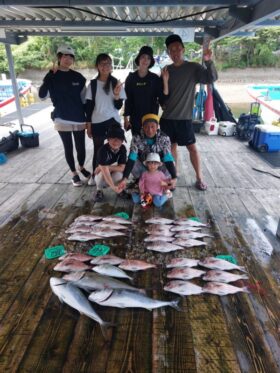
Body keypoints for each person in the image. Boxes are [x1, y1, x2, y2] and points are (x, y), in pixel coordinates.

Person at [160, 34, 218, 191]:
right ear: (168, 52)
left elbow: (212, 77)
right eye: (172, 50)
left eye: (178, 49)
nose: (176, 52)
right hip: (167, 118)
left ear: (183, 49)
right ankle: (173, 176)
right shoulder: (166, 70)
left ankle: (199, 178)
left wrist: (208, 61)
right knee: (170, 149)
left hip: (184, 118)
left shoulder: (193, 68)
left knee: (192, 148)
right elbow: (163, 96)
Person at [39, 45, 91, 187]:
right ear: (59, 58)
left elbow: (84, 100)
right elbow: (42, 95)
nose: (68, 59)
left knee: (81, 147)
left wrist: (88, 120)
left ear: (73, 60)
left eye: (70, 56)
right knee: (68, 147)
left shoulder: (78, 77)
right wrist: (49, 75)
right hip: (61, 118)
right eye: (64, 56)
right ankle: (73, 173)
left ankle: (81, 166)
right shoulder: (52, 76)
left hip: (79, 118)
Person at [85, 53, 126, 186]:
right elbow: (89, 107)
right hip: (97, 121)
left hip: (113, 121)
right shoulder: (92, 84)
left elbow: (119, 106)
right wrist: (88, 125)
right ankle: (95, 175)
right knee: (98, 150)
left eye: (108, 63)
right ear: (97, 66)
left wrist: (116, 95)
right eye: (102, 63)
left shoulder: (116, 82)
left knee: (115, 148)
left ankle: (114, 174)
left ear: (111, 66)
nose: (105, 66)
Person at [118, 113, 177, 192]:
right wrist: (125, 178)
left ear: (157, 127)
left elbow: (168, 158)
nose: (149, 130)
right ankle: (141, 180)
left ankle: (166, 180)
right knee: (132, 160)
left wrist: (174, 177)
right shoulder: (136, 138)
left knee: (172, 161)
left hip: (159, 169)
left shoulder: (164, 138)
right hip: (144, 168)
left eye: (152, 126)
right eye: (146, 127)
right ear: (142, 127)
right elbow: (132, 158)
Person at [124, 46, 169, 135]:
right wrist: (125, 119)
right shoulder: (131, 78)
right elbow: (127, 100)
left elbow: (163, 98)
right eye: (143, 57)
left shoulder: (154, 79)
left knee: (150, 146)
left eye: (148, 58)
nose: (145, 60)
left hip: (151, 119)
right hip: (135, 118)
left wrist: (165, 80)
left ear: (151, 61)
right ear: (139, 59)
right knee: (137, 145)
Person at [93, 125, 128, 203]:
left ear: (122, 141)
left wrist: (103, 167)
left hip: (111, 173)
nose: (115, 141)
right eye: (113, 138)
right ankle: (99, 190)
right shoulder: (102, 150)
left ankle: (120, 190)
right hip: (101, 176)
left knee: (119, 174)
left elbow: (122, 168)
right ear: (108, 139)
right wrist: (113, 187)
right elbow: (105, 172)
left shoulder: (122, 149)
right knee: (101, 173)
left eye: (119, 139)